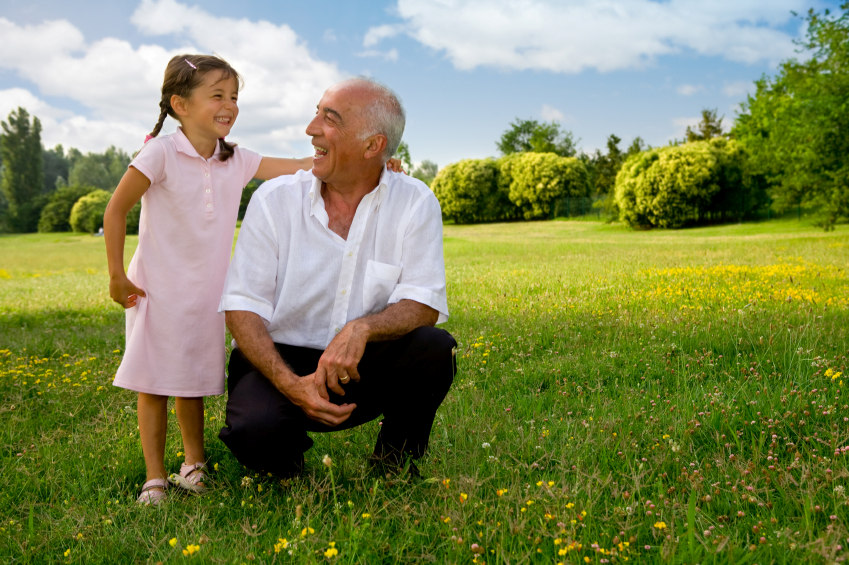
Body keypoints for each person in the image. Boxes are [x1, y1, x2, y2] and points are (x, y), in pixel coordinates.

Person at [104, 55, 400, 505]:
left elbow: (303, 164)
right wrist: (116, 273)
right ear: (179, 104)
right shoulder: (160, 152)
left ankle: (193, 466)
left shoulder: (235, 158)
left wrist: (377, 164)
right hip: (156, 292)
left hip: (210, 296)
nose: (229, 106)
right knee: (156, 383)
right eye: (217, 96)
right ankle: (154, 477)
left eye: (234, 97)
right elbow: (116, 209)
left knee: (193, 382)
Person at [218, 77, 456, 479]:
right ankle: (287, 465)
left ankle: (393, 464)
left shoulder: (415, 201)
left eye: (330, 118)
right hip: (279, 359)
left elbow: (424, 302)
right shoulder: (274, 200)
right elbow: (242, 309)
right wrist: (291, 384)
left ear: (372, 145)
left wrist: (360, 329)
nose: (311, 128)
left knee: (434, 349)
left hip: (360, 362)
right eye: (316, 113)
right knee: (257, 433)